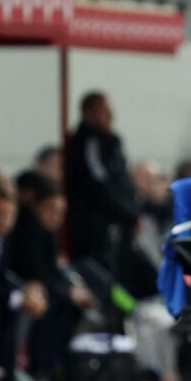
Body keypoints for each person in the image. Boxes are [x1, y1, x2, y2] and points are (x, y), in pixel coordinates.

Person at [65, 91, 139, 270]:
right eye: (104, 111)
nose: (111, 115)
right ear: (88, 114)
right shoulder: (87, 144)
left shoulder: (113, 143)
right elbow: (99, 185)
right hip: (93, 227)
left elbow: (123, 181)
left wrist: (133, 211)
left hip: (120, 221)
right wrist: (127, 213)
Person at [0, 172, 47, 381]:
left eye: (9, 214)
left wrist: (27, 293)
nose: (4, 220)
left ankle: (9, 372)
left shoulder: (3, 240)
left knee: (26, 304)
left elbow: (1, 277)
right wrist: (17, 297)